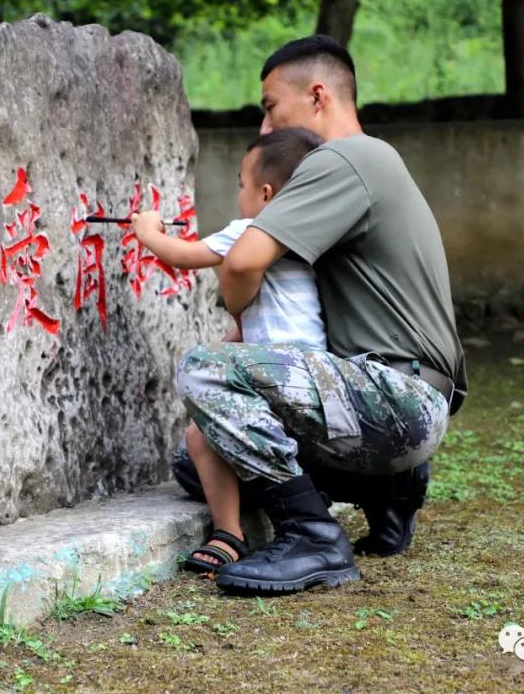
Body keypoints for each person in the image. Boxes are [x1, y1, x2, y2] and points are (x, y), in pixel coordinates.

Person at [168, 34, 468, 595]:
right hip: (406, 398)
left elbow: (243, 262)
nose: (266, 128)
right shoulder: (371, 161)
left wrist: (239, 308)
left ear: (317, 95)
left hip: (392, 398)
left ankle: (312, 537)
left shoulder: (341, 159)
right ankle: (386, 491)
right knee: (201, 459)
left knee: (205, 370)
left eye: (270, 107)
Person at [131, 127, 326, 575]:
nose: (239, 195)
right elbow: (268, 318)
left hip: (278, 373)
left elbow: (184, 255)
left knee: (200, 436)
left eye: (241, 184)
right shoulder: (307, 240)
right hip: (314, 375)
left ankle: (228, 534)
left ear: (266, 194)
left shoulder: (252, 230)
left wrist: (148, 233)